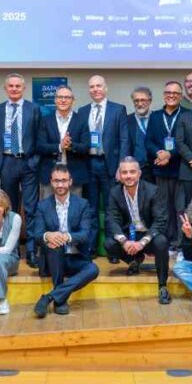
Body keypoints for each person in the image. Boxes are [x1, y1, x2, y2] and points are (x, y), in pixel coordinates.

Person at [33, 165, 100, 317]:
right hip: (53, 261)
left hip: (76, 258)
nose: (60, 185)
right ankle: (60, 301)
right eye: (57, 181)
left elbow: (85, 234)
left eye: (63, 180)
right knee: (54, 245)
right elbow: (37, 234)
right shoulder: (43, 206)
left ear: (70, 182)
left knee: (93, 269)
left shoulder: (82, 204)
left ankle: (50, 297)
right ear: (51, 182)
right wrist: (48, 236)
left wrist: (66, 237)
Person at [76, 74, 130, 259]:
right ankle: (90, 248)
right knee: (90, 208)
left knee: (111, 209)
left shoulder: (118, 109)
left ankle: (111, 248)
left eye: (99, 86)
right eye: (92, 86)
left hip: (111, 165)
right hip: (88, 164)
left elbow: (124, 139)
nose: (95, 89)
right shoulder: (82, 111)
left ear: (105, 88)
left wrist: (122, 167)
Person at [105, 157, 172, 304]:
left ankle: (162, 286)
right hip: (129, 236)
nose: (128, 176)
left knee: (161, 242)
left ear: (139, 173)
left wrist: (142, 242)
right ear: (119, 175)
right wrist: (124, 241)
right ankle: (134, 260)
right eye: (124, 172)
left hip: (149, 236)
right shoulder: (115, 192)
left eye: (132, 172)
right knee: (109, 244)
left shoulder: (153, 190)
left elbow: (160, 221)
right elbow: (112, 219)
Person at [0, 73, 42, 267]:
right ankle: (11, 248)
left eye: (17, 86)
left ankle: (31, 250)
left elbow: (40, 136)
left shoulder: (34, 108)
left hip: (28, 162)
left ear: (23, 88)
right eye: (11, 86)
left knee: (31, 208)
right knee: (9, 209)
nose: (14, 89)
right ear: (6, 88)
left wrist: (35, 161)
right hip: (7, 162)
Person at [144, 81, 188, 249]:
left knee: (180, 208)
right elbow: (148, 141)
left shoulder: (187, 115)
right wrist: (159, 153)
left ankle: (180, 243)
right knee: (162, 208)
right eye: (168, 92)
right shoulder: (155, 116)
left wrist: (170, 154)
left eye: (175, 93)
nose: (171, 95)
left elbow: (188, 142)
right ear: (164, 95)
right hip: (160, 169)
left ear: (181, 96)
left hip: (181, 170)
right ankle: (165, 243)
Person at [37, 85, 89, 200]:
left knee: (74, 208)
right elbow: (40, 146)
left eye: (67, 97)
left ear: (73, 100)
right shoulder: (45, 120)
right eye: (60, 97)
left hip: (74, 173)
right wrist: (60, 146)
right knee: (47, 208)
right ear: (55, 100)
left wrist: (71, 145)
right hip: (49, 173)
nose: (63, 100)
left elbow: (86, 147)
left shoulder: (81, 120)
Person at [127, 86, 154, 181]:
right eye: (136, 100)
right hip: (134, 170)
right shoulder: (126, 120)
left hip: (155, 169)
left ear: (150, 101)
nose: (139, 103)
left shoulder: (157, 118)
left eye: (143, 100)